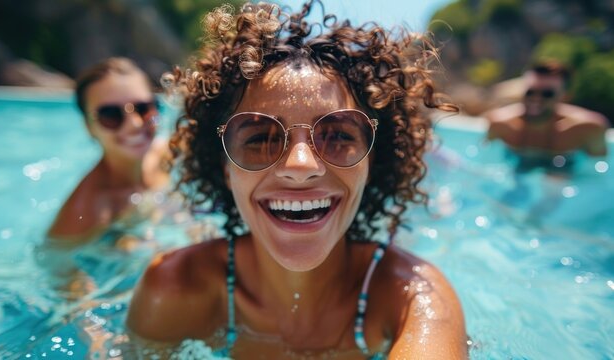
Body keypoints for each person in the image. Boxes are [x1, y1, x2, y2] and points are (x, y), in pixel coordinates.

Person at [126, 2, 467, 358]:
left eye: (337, 136)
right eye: (259, 139)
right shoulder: (175, 288)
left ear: (372, 162)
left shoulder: (416, 298)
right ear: (225, 168)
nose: (301, 165)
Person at [47, 57, 171, 244]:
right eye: (111, 115)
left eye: (143, 108)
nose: (135, 124)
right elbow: (58, 269)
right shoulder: (87, 212)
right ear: (89, 127)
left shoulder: (166, 154)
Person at [486, 61, 608, 171]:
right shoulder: (500, 123)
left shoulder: (588, 128)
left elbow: (598, 168)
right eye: (530, 92)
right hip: (517, 166)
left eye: (547, 94)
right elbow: (486, 157)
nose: (536, 99)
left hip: (565, 168)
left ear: (565, 96)